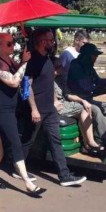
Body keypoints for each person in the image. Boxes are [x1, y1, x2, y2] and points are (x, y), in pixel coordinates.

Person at [21, 29, 86, 187]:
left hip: (50, 110)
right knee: (28, 141)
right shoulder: (33, 61)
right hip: (37, 110)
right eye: (50, 40)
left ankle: (64, 176)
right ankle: (18, 167)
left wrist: (54, 100)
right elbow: (26, 86)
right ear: (42, 42)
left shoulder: (48, 60)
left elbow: (49, 83)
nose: (53, 42)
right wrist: (34, 109)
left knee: (55, 141)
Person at [0, 33, 45, 196]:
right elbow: (14, 81)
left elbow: (22, 72)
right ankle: (28, 183)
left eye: (13, 42)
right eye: (9, 43)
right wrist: (24, 62)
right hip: (0, 109)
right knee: (15, 143)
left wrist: (26, 55)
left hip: (9, 108)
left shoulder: (9, 61)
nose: (13, 45)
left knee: (1, 144)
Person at [52, 60, 104, 156]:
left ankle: (88, 143)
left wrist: (82, 101)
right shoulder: (46, 80)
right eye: (58, 67)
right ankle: (89, 142)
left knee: (86, 108)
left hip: (64, 103)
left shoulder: (61, 79)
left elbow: (68, 95)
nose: (61, 68)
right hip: (56, 106)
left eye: (60, 66)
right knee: (87, 109)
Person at [67, 43, 106, 133]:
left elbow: (97, 81)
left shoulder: (89, 67)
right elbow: (85, 87)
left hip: (88, 100)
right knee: (97, 111)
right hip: (78, 101)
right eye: (94, 55)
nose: (96, 58)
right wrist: (103, 85)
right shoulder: (76, 66)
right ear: (87, 55)